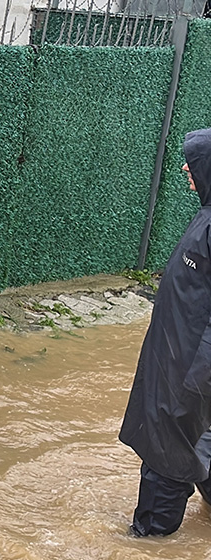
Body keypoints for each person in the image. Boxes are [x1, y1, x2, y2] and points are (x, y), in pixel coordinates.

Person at [120, 129, 211, 537]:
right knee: (197, 436)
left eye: (192, 162)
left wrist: (196, 375)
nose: (184, 169)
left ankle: (151, 539)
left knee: (168, 445)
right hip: (178, 352)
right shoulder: (208, 213)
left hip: (191, 363)